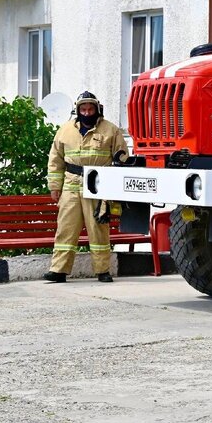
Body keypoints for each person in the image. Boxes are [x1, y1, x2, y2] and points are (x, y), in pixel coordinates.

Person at [43, 91, 128, 283]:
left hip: (98, 187)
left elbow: (122, 159)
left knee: (98, 229)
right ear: (77, 110)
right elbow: (55, 160)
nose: (87, 113)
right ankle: (58, 270)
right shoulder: (64, 131)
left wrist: (115, 188)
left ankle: (102, 270)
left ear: (97, 109)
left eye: (90, 109)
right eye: (83, 109)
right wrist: (55, 186)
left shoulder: (111, 131)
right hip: (71, 185)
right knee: (65, 229)